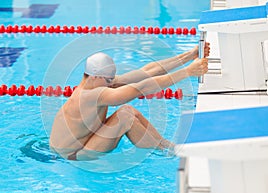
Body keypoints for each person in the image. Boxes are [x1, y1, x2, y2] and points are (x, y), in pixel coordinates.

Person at [50, 43, 210, 161]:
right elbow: (141, 88)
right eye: (108, 80)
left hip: (84, 144)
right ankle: (169, 154)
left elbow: (148, 72)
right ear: (94, 76)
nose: (111, 83)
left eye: (112, 79)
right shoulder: (89, 95)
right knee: (125, 117)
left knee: (128, 111)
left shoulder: (99, 83)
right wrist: (187, 72)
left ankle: (168, 147)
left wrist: (190, 55)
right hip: (74, 156)